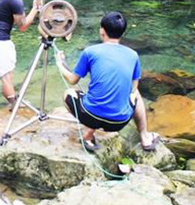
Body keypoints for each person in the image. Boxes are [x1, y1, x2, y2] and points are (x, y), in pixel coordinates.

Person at [55, 11, 160, 152]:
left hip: (90, 117)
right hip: (118, 122)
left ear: (102, 31)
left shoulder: (90, 51)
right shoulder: (133, 55)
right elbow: (133, 89)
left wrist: (60, 63)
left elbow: (73, 80)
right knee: (136, 94)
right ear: (122, 34)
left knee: (69, 93)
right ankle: (145, 137)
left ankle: (88, 135)